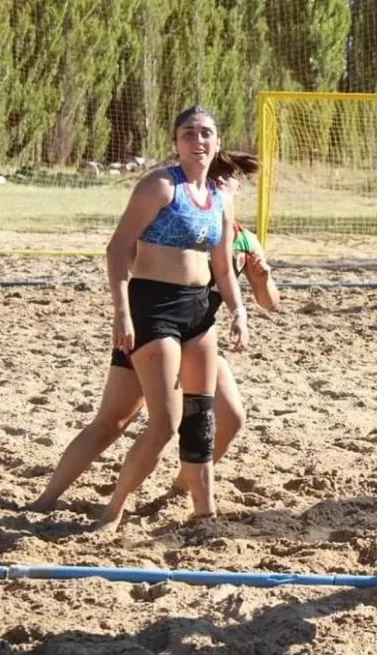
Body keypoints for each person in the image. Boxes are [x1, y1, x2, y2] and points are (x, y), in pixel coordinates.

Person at [29, 193, 278, 513]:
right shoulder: (181, 230)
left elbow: (271, 302)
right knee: (114, 422)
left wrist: (263, 278)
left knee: (230, 416)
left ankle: (182, 485)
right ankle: (47, 501)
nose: (221, 187)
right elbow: (129, 256)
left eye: (228, 180)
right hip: (155, 328)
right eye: (216, 180)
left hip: (198, 336)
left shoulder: (244, 241)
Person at [100, 106, 251, 532]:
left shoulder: (220, 200)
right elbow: (116, 248)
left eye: (206, 133)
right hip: (154, 307)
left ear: (216, 143)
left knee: (201, 417)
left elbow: (222, 268)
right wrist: (122, 312)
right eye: (189, 133)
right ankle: (113, 511)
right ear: (176, 142)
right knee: (163, 423)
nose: (198, 140)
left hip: (198, 311)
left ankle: (205, 513)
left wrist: (238, 312)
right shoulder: (160, 186)